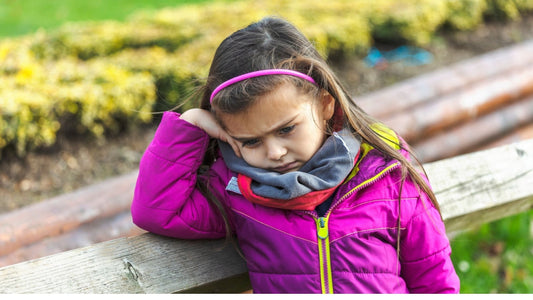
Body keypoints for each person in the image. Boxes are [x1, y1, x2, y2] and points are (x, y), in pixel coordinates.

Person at [131, 17, 460, 294]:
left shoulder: (387, 177)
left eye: (286, 129)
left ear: (325, 105)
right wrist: (190, 125)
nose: (274, 153)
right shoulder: (237, 192)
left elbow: (435, 280)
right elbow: (157, 210)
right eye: (250, 141)